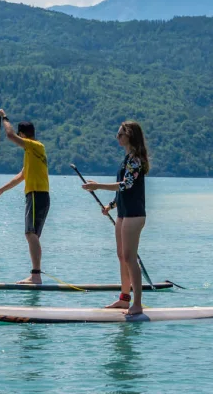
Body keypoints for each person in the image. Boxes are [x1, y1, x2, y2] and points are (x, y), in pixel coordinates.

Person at [82, 121, 149, 316]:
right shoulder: (127, 158)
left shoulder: (135, 160)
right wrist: (110, 206)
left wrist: (98, 186)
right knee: (122, 257)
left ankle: (137, 304)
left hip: (135, 214)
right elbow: (123, 191)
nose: (117, 138)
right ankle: (124, 299)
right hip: (123, 213)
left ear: (129, 136)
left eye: (120, 134)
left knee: (129, 258)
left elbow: (126, 185)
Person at [0, 109, 50, 284]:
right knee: (32, 235)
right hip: (37, 195)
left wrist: (4, 117)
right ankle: (36, 275)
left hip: (37, 195)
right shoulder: (32, 153)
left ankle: (36, 276)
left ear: (23, 135)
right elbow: (22, 176)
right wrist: (0, 191)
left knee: (30, 233)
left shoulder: (35, 146)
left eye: (20, 136)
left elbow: (9, 135)